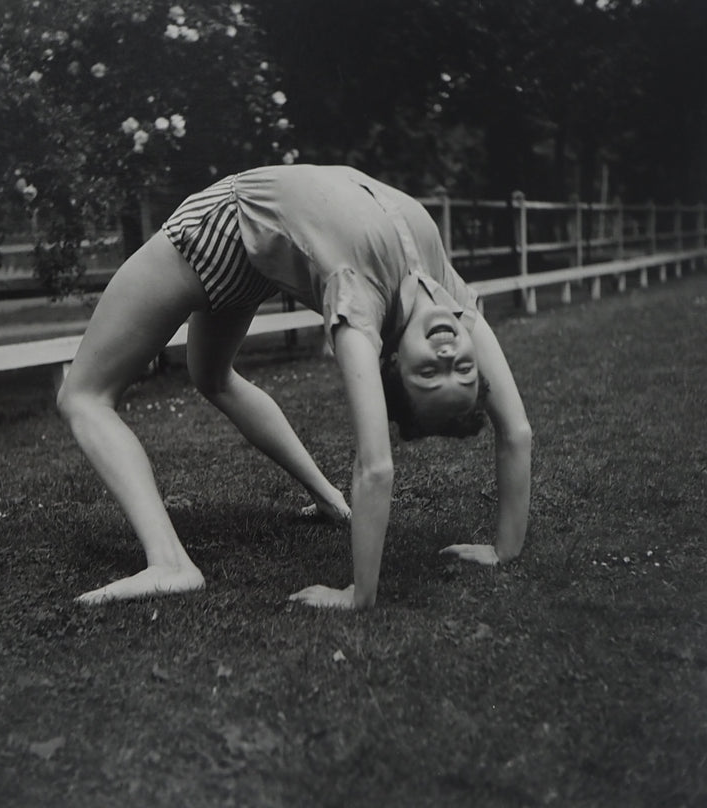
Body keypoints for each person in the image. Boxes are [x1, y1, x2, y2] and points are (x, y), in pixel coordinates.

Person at [57, 164, 532, 609]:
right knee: (212, 376)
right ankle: (330, 500)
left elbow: (376, 465)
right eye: (463, 373)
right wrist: (505, 550)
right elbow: (517, 431)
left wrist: (359, 595)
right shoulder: (449, 295)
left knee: (82, 395)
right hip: (254, 246)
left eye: (429, 374)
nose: (449, 358)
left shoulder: (358, 298)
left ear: (392, 359)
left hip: (222, 227)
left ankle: (170, 562)